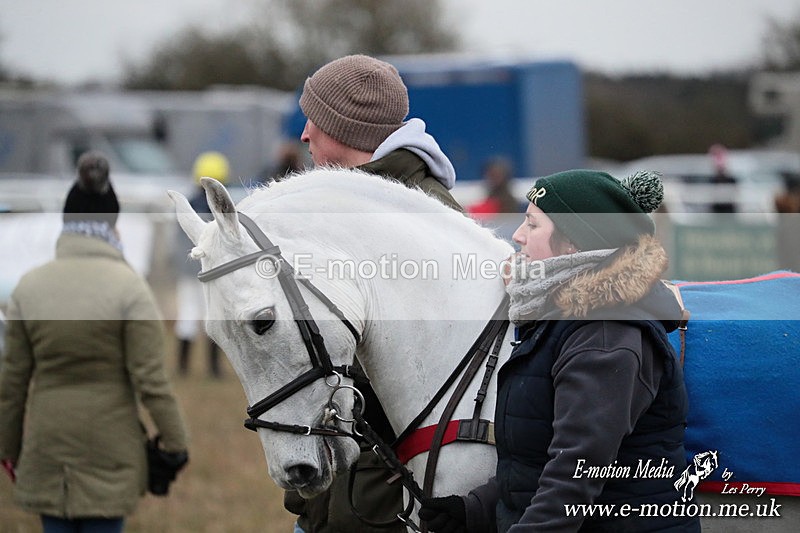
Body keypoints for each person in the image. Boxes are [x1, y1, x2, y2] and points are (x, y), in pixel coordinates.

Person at [419, 170, 700, 532]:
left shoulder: (605, 337)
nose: (517, 236)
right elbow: (539, 462)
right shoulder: (561, 320)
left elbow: (573, 481)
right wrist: (476, 509)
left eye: (532, 225)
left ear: (573, 244)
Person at [287, 54, 462, 533]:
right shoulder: (348, 206)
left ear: (346, 131)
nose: (304, 134)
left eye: (316, 120)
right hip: (333, 496)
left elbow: (430, 372)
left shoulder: (424, 219)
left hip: (383, 503)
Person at [0, 152, 189, 533]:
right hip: (110, 445)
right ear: (114, 223)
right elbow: (151, 382)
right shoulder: (130, 289)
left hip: (46, 443)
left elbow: (12, 384)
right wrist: (175, 443)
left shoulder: (29, 287)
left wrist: (8, 448)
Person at [174, 151, 230, 378]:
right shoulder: (218, 208)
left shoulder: (186, 205)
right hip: (211, 270)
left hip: (187, 269)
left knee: (187, 314)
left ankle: (182, 366)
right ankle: (214, 368)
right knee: (212, 315)